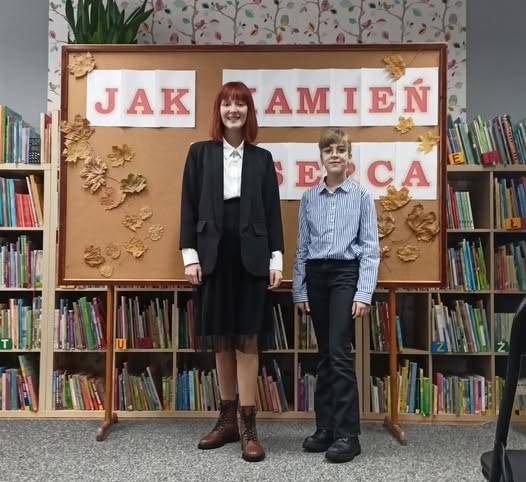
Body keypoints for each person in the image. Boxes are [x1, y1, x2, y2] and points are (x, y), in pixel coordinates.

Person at [179, 81, 284, 463]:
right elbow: (188, 205)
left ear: (248, 112)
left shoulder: (262, 158)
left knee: (248, 340)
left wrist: (276, 260)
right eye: (227, 103)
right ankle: (226, 421)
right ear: (219, 110)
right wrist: (190, 255)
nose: (234, 110)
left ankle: (248, 425)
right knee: (221, 339)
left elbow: (272, 211)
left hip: (252, 258)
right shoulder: (199, 153)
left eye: (241, 104)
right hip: (213, 256)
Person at [292, 127, 380, 463]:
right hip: (316, 275)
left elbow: (370, 249)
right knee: (325, 355)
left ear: (349, 157)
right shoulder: (309, 198)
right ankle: (326, 428)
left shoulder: (361, 196)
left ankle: (348, 435)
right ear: (321, 157)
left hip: (345, 275)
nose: (335, 155)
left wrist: (363, 293)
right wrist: (300, 289)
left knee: (340, 353)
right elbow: (302, 248)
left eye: (341, 150)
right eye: (329, 150)